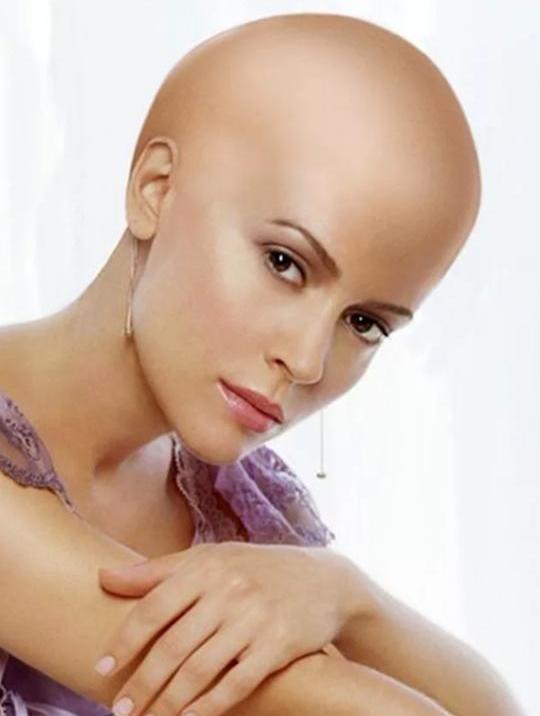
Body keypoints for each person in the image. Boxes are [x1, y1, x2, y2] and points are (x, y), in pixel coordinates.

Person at [0, 10, 524, 716]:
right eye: (285, 263)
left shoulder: (234, 505)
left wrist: (350, 596)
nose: (306, 360)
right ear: (155, 188)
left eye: (364, 324)